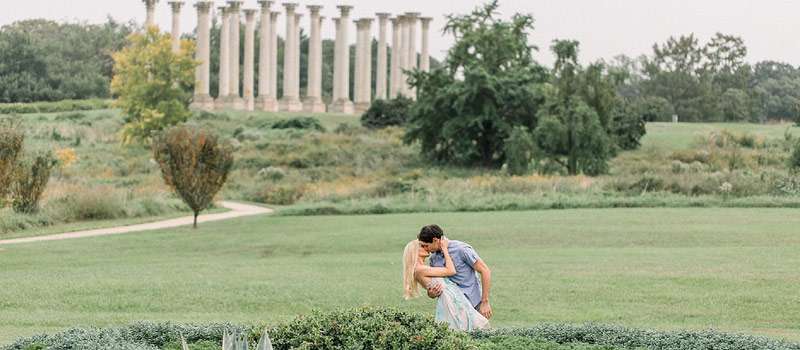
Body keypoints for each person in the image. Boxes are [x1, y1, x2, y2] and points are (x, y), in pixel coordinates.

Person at [403, 237, 489, 331]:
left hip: (455, 299)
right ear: (415, 251)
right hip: (451, 301)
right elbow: (451, 271)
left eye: (426, 245)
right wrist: (445, 250)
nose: (426, 248)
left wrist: (431, 293)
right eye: (422, 246)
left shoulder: (422, 268)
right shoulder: (419, 269)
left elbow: (432, 289)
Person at [418, 224, 493, 320]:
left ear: (435, 240)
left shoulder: (461, 249)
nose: (425, 249)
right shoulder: (433, 259)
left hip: (474, 305)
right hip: (453, 310)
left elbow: (485, 271)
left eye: (426, 245)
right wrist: (431, 293)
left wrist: (485, 302)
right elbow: (436, 287)